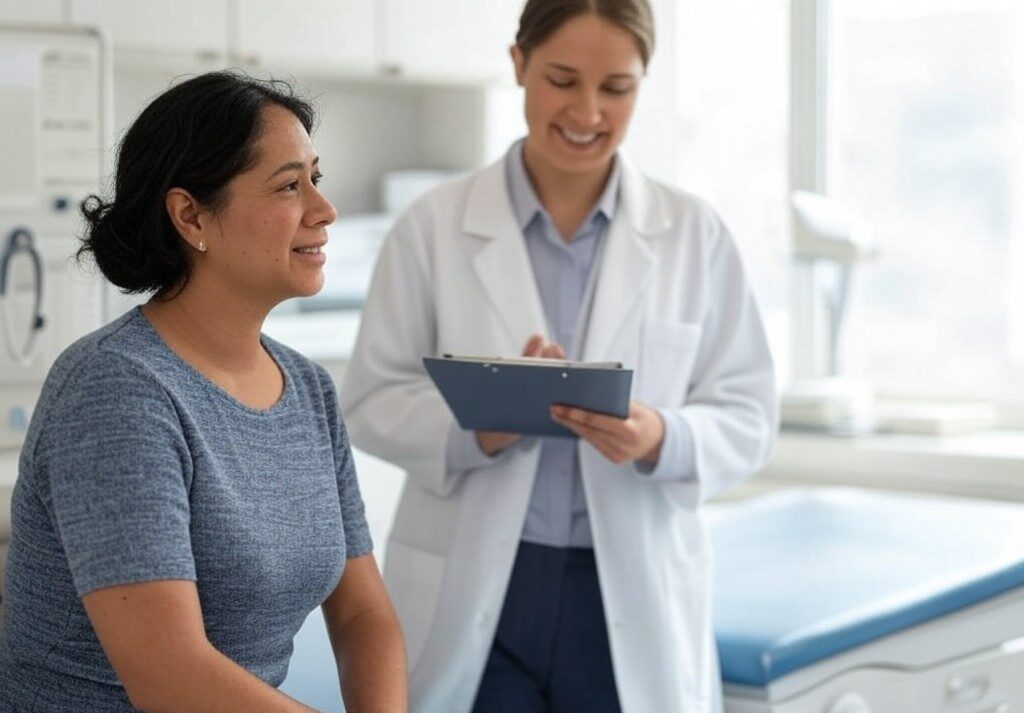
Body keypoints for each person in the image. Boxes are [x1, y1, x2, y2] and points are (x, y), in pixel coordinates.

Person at [340, 0, 778, 711]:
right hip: (480, 577)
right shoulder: (432, 227)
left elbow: (749, 413)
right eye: (563, 79)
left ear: (643, 84)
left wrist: (659, 434)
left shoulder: (693, 234)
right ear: (518, 65)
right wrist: (484, 422)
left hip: (625, 586)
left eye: (616, 88)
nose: (587, 111)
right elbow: (371, 397)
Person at [0, 72, 407, 713]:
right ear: (191, 214)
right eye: (288, 186)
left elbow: (363, 616)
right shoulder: (117, 391)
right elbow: (170, 677)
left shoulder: (308, 389)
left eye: (316, 180)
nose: (324, 212)